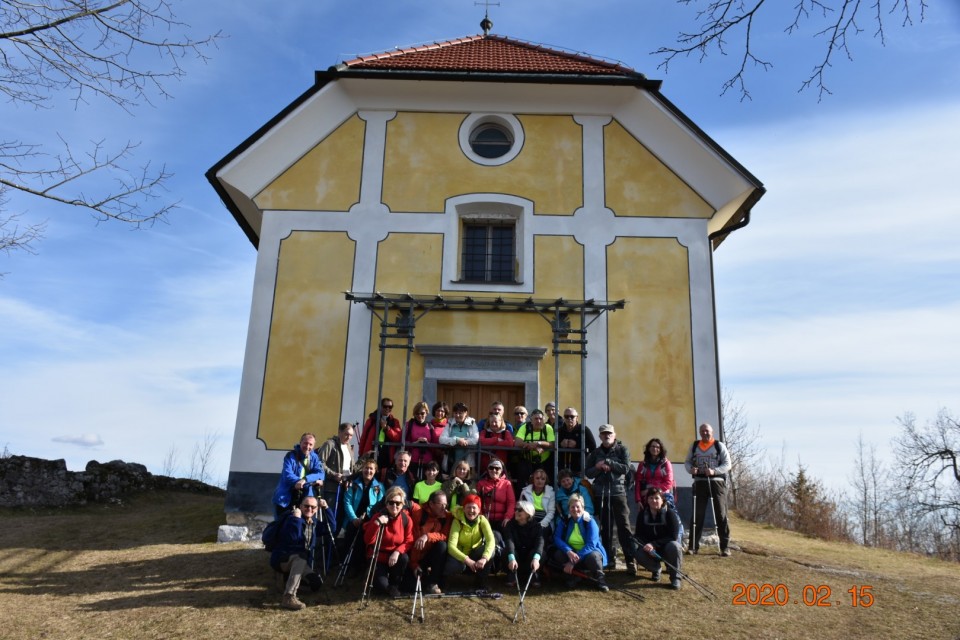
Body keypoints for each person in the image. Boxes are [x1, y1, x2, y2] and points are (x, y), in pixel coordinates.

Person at [585, 424, 635, 573]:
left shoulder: (622, 450)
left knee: (624, 528)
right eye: (604, 433)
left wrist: (609, 463)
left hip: (618, 493)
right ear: (600, 436)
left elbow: (626, 468)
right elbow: (588, 473)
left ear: (614, 435)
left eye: (609, 433)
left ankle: (630, 559)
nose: (607, 436)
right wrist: (598, 467)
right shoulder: (595, 453)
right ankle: (608, 559)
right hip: (601, 493)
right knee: (605, 528)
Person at [684, 422, 732, 556]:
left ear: (712, 432)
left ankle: (725, 547)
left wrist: (714, 471)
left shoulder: (719, 446)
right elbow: (687, 462)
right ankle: (693, 547)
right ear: (700, 433)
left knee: (720, 514)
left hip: (717, 482)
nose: (705, 433)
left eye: (707, 431)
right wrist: (691, 469)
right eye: (702, 431)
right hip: (699, 482)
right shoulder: (694, 446)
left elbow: (728, 464)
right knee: (697, 515)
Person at [270, 495, 326, 610]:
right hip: (283, 559)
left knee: (316, 584)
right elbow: (294, 540)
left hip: (301, 561)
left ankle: (286, 582)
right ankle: (288, 597)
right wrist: (296, 519)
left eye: (313, 507)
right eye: (306, 506)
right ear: (300, 506)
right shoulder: (291, 519)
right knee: (301, 556)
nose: (309, 509)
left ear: (316, 509)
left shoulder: (313, 522)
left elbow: (332, 528)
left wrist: (327, 509)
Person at [363, 486, 414, 597]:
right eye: (391, 502)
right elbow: (368, 540)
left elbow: (409, 540)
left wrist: (397, 551)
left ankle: (395, 584)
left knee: (404, 558)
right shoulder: (378, 517)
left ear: (402, 505)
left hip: (395, 557)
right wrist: (376, 523)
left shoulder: (406, 519)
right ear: (386, 504)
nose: (394, 506)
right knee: (382, 586)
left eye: (398, 503)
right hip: (378, 557)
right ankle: (378, 577)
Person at [551, 493, 608, 592]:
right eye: (572, 507)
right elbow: (556, 538)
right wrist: (568, 551)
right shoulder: (565, 521)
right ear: (569, 508)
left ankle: (600, 579)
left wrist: (574, 559)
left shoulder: (590, 521)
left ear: (583, 507)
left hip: (587, 554)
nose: (575, 509)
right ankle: (573, 576)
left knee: (593, 556)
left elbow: (591, 544)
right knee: (558, 554)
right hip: (572, 553)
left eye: (578, 506)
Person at [631, 487, 684, 590]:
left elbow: (673, 536)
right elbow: (638, 534)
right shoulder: (642, 515)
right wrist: (647, 545)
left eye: (657, 498)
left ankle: (675, 578)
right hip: (649, 549)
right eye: (651, 498)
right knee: (637, 552)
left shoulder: (670, 514)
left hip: (666, 547)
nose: (654, 501)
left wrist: (654, 544)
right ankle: (656, 569)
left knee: (676, 546)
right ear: (647, 500)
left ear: (662, 500)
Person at [341, 457, 384, 573]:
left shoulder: (379, 487)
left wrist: (369, 517)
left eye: (371, 469)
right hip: (353, 519)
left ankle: (361, 566)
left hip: (370, 519)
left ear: (375, 471)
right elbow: (347, 502)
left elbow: (380, 504)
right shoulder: (353, 485)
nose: (368, 471)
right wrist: (354, 518)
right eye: (366, 468)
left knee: (364, 539)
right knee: (351, 534)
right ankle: (348, 564)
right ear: (362, 469)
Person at [445, 493, 497, 589]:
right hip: (460, 556)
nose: (471, 511)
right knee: (455, 567)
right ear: (463, 508)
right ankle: (445, 580)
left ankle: (480, 582)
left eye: (474, 508)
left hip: (475, 554)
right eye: (468, 507)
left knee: (491, 551)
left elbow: (491, 541)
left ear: (479, 510)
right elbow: (451, 547)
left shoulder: (482, 520)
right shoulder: (457, 521)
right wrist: (467, 560)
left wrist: (484, 558)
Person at [271, 432, 325, 520]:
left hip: (305, 498)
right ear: (300, 443)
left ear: (314, 446)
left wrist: (305, 480)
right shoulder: (290, 456)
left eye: (310, 444)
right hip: (286, 498)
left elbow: (321, 474)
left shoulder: (314, 457)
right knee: (281, 526)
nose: (307, 447)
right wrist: (301, 481)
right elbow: (287, 475)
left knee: (302, 527)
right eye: (305, 443)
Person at [409, 490, 452, 594]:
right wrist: (414, 564)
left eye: (446, 504)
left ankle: (433, 582)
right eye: (441, 504)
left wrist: (427, 536)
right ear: (431, 504)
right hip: (414, 556)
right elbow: (412, 540)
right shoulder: (418, 513)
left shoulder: (446, 517)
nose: (444, 508)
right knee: (409, 587)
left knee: (442, 546)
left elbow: (444, 535)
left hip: (429, 555)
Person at [316, 422, 355, 533]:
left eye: (351, 435)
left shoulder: (348, 447)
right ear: (339, 432)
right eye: (346, 434)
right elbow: (320, 463)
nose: (349, 437)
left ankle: (332, 547)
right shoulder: (330, 444)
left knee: (339, 519)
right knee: (329, 519)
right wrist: (333, 475)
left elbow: (351, 468)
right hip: (331, 489)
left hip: (344, 488)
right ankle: (322, 547)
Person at [503, 501, 543, 588]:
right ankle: (512, 574)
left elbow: (539, 543)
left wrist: (536, 559)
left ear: (528, 513)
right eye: (515, 509)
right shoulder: (510, 525)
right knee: (508, 551)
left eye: (520, 510)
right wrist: (512, 558)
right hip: (516, 558)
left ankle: (534, 575)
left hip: (530, 558)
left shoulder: (537, 526)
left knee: (540, 553)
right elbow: (509, 542)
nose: (516, 512)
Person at [513, 408, 555, 486]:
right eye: (536, 419)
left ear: (544, 420)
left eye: (540, 419)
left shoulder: (548, 427)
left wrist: (537, 443)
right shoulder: (525, 427)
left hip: (544, 462)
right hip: (527, 460)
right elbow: (517, 443)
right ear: (531, 420)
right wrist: (532, 446)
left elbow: (552, 444)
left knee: (547, 483)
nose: (538, 421)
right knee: (522, 483)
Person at [359, 397, 402, 471]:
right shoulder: (371, 420)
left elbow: (397, 438)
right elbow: (363, 438)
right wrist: (361, 455)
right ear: (381, 407)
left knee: (385, 478)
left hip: (388, 455)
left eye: (390, 407)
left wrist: (386, 428)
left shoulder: (395, 422)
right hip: (372, 453)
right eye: (385, 406)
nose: (387, 409)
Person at [476, 457, 515, 533]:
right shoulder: (481, 483)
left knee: (508, 533)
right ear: (488, 469)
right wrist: (480, 516)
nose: (494, 470)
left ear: (501, 471)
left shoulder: (507, 484)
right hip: (485, 518)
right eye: (491, 468)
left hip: (502, 519)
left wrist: (507, 517)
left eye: (497, 468)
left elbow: (511, 502)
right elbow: (477, 502)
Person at [438, 402, 478, 475]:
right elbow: (441, 439)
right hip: (452, 461)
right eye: (455, 413)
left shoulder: (472, 423)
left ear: (466, 413)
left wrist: (464, 441)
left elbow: (475, 439)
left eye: (460, 413)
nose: (457, 415)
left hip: (467, 461)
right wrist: (456, 440)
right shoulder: (449, 423)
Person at [556, 407, 596, 476]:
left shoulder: (583, 430)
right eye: (566, 416)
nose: (569, 419)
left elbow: (593, 446)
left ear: (577, 418)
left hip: (579, 469)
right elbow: (554, 446)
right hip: (562, 469)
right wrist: (560, 444)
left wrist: (577, 445)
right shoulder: (559, 431)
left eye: (572, 416)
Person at [635, 438, 675, 506]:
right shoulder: (643, 464)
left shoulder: (666, 464)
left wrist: (650, 491)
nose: (655, 449)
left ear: (661, 449)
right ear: (648, 448)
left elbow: (668, 483)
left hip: (663, 497)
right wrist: (638, 500)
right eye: (653, 446)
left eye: (657, 447)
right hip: (646, 499)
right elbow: (638, 482)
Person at [404, 401, 438, 479]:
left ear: (426, 413)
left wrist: (427, 443)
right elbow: (402, 442)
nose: (419, 416)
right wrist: (415, 443)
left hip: (427, 461)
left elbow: (435, 445)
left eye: (422, 413)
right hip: (411, 460)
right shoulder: (409, 425)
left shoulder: (430, 427)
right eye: (417, 413)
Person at [519, 468, 556, 533]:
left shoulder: (551, 493)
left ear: (545, 481)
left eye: (543, 479)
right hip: (530, 520)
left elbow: (551, 512)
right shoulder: (524, 492)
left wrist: (541, 524)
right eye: (537, 478)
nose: (540, 481)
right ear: (533, 479)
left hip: (545, 521)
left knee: (540, 533)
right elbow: (521, 509)